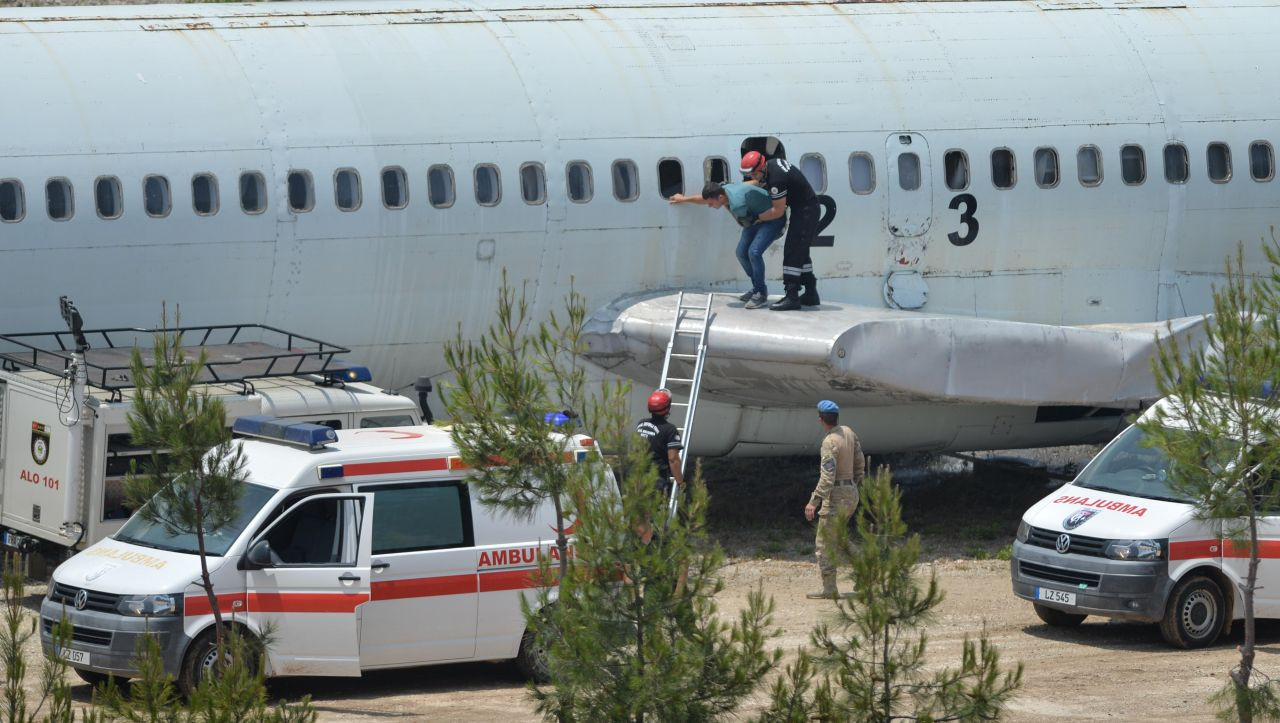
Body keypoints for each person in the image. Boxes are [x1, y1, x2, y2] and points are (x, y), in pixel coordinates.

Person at [670, 181, 784, 309]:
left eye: (711, 204)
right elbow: (705, 199)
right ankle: (757, 287)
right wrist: (683, 199)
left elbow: (743, 222)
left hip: (773, 219)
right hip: (756, 219)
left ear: (720, 197)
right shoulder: (723, 190)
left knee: (754, 252)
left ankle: (761, 294)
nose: (709, 206)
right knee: (741, 253)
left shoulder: (737, 206)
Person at [740, 150, 821, 311]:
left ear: (761, 167)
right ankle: (811, 293)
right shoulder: (771, 165)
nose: (751, 178)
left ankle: (792, 297)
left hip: (806, 212)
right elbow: (758, 182)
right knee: (802, 252)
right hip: (805, 208)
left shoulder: (776, 178)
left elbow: (777, 211)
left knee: (792, 250)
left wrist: (757, 217)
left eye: (753, 174)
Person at [804, 399, 864, 600]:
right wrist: (854, 485)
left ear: (821, 420)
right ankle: (865, 572)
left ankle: (830, 589)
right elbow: (859, 463)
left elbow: (827, 477)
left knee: (823, 544)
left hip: (836, 496)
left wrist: (814, 501)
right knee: (840, 538)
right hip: (851, 493)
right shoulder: (848, 433)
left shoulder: (829, 442)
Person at [636, 389, 685, 495]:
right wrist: (680, 482)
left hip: (638, 476)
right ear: (667, 408)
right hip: (657, 480)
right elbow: (673, 459)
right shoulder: (670, 430)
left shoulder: (641, 424)